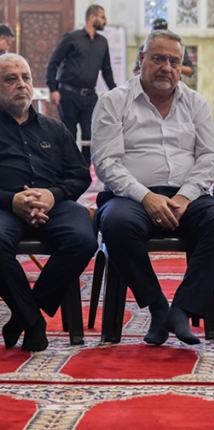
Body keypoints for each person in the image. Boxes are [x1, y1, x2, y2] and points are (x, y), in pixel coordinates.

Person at [91, 30, 214, 346]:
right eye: (158, 59)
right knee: (116, 224)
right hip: (130, 197)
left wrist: (185, 196)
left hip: (186, 196)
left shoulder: (195, 103)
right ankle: (158, 307)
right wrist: (146, 197)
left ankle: (182, 309)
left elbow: (212, 155)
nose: (167, 68)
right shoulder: (113, 101)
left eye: (174, 61)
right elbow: (106, 163)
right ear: (142, 59)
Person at [0, 54, 97, 351]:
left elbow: (80, 175)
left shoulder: (54, 128)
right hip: (4, 207)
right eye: (11, 79)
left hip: (56, 205)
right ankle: (34, 322)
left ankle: (24, 315)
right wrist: (13, 200)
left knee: (83, 240)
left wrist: (52, 195)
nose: (21, 84)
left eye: (26, 78)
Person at [46, 5, 116, 166]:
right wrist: (53, 89)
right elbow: (53, 62)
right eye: (103, 17)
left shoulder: (102, 42)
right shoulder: (71, 38)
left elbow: (107, 70)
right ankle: (68, 169)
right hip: (68, 93)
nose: (105, 21)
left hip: (90, 96)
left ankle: (84, 171)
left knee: (89, 135)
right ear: (92, 17)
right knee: (68, 134)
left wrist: (115, 92)